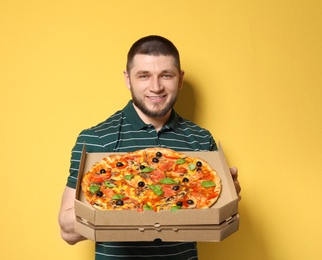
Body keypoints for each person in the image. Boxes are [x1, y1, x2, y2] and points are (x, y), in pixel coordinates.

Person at [58, 35, 241, 259]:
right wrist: (117, 205)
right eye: (144, 76)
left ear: (180, 79)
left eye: (166, 75)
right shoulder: (95, 139)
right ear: (128, 79)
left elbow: (216, 222)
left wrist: (228, 199)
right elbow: (67, 231)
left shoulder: (200, 140)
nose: (156, 87)